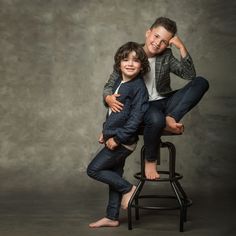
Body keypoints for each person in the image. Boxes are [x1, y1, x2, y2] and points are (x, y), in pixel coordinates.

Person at [103, 17, 209, 180]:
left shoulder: (166, 55)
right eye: (156, 36)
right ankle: (150, 160)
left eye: (164, 41)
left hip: (166, 101)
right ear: (148, 33)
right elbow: (110, 84)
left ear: (168, 45)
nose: (158, 43)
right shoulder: (132, 55)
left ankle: (171, 118)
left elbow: (189, 75)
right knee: (156, 118)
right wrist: (108, 98)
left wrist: (181, 47)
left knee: (201, 82)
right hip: (144, 105)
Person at [87, 42, 150, 228]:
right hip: (113, 136)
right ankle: (112, 216)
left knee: (94, 169)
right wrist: (105, 132)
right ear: (119, 63)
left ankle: (129, 188)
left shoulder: (138, 88)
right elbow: (114, 113)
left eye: (135, 61)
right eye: (126, 59)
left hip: (123, 142)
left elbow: (135, 120)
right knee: (114, 174)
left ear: (142, 66)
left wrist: (117, 138)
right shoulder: (118, 82)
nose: (130, 64)